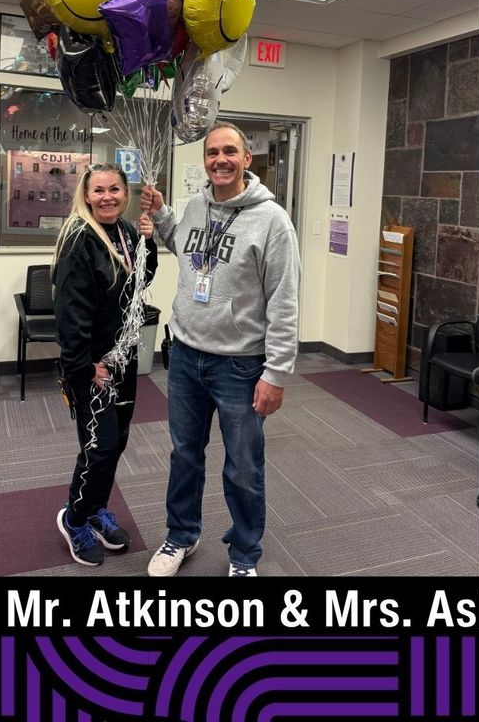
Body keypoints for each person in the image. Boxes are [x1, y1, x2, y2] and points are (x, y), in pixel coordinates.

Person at [140, 121, 300, 577]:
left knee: (243, 467)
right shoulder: (196, 206)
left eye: (230, 151)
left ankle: (244, 556)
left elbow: (285, 300)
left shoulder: (272, 221)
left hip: (241, 365)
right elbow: (184, 246)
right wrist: (163, 214)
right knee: (184, 455)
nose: (220, 160)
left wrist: (276, 373)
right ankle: (181, 535)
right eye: (212, 153)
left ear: (247, 159)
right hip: (186, 356)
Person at [52, 163, 158, 566]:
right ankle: (75, 518)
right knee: (100, 447)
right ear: (86, 195)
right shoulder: (79, 238)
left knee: (118, 442)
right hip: (92, 365)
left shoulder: (126, 232)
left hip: (123, 359)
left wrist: (148, 243)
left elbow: (141, 281)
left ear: (125, 194)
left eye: (114, 189)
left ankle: (96, 508)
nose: (107, 197)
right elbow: (69, 312)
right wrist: (82, 367)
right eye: (98, 190)